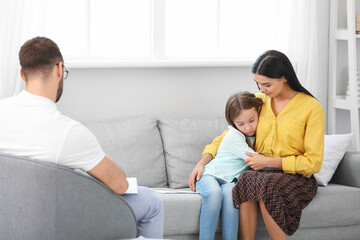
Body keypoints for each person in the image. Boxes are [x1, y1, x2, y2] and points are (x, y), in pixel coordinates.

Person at [0, 37, 164, 238]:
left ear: (22, 74)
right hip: (63, 219)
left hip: (11, 220)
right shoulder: (69, 132)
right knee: (152, 202)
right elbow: (120, 184)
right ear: (59, 69)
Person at [189, 50, 324, 240]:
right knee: (247, 180)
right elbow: (227, 136)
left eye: (266, 84)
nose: (261, 89)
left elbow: (313, 163)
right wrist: (201, 163)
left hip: (295, 177)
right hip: (261, 173)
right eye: (258, 83)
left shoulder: (311, 107)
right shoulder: (260, 101)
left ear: (284, 77)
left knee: (265, 183)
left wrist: (269, 162)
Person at [194, 91, 263, 240]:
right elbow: (256, 160)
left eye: (251, 120)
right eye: (240, 124)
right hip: (210, 175)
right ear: (233, 123)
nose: (247, 128)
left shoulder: (259, 134)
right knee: (213, 194)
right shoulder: (233, 136)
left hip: (230, 180)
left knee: (232, 197)